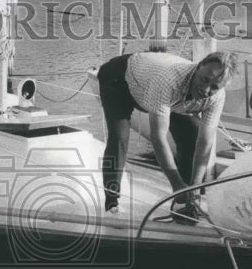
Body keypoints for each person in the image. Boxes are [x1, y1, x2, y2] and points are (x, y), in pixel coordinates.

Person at [98, 50, 237, 220]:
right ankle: (112, 202)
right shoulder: (168, 79)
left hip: (165, 94)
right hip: (120, 78)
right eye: (205, 80)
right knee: (119, 138)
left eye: (214, 87)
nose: (206, 89)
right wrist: (175, 182)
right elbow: (159, 138)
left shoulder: (217, 97)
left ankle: (185, 203)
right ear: (199, 67)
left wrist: (194, 186)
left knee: (192, 132)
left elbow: (205, 143)